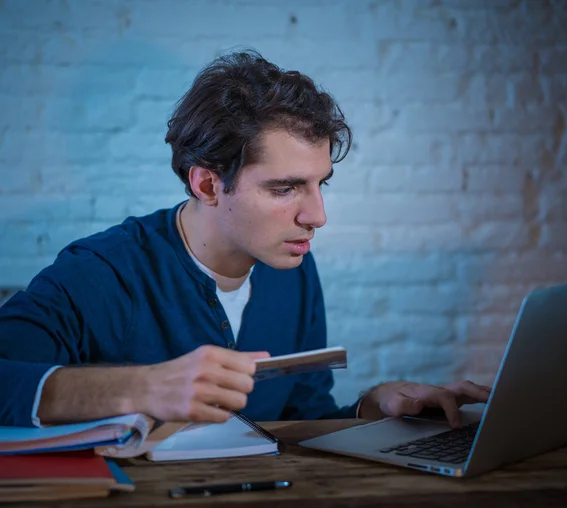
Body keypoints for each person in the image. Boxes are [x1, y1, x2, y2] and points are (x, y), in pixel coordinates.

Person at [0, 51, 489, 429]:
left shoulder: (290, 266)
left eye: (322, 183)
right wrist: (140, 388)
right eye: (285, 188)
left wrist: (374, 407)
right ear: (208, 184)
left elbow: (299, 415)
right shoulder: (100, 273)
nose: (317, 216)